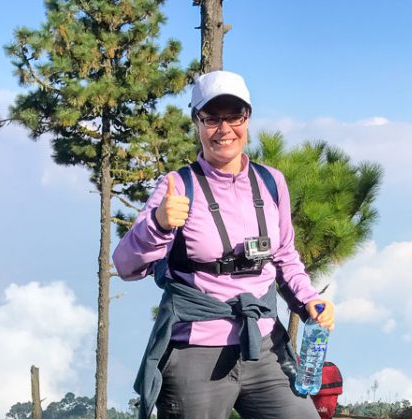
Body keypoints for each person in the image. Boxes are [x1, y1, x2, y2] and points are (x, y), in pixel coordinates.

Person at [113, 70, 335, 419]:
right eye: (212, 118)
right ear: (197, 123)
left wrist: (309, 298)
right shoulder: (177, 186)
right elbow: (125, 265)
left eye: (234, 116)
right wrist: (158, 223)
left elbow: (284, 256)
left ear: (247, 118)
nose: (224, 128)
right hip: (195, 352)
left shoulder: (271, 182)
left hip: (264, 347)